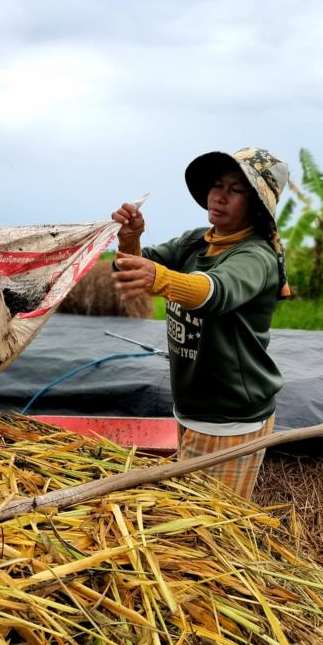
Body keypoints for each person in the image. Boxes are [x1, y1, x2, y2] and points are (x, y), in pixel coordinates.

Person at [110, 148, 291, 499]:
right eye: (216, 185)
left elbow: (216, 292)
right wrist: (131, 237)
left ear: (255, 204)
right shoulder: (196, 241)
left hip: (230, 417)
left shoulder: (255, 255)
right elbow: (131, 266)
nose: (219, 197)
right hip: (192, 407)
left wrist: (160, 279)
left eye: (236, 190)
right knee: (192, 509)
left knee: (210, 523)